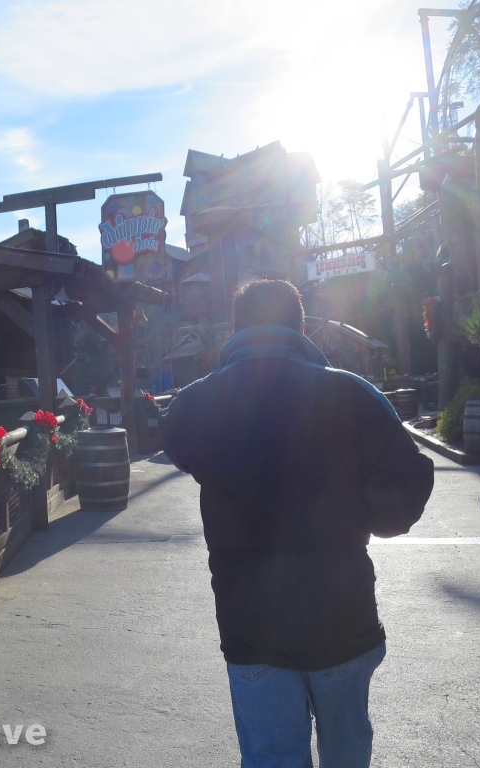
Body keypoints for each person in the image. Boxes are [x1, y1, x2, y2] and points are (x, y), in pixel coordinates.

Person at [161, 279, 434, 768]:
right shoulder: (353, 394)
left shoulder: (198, 403)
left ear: (236, 326)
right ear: (300, 325)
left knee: (270, 756)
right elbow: (400, 500)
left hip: (251, 623)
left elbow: (178, 443)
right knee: (347, 751)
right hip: (342, 614)